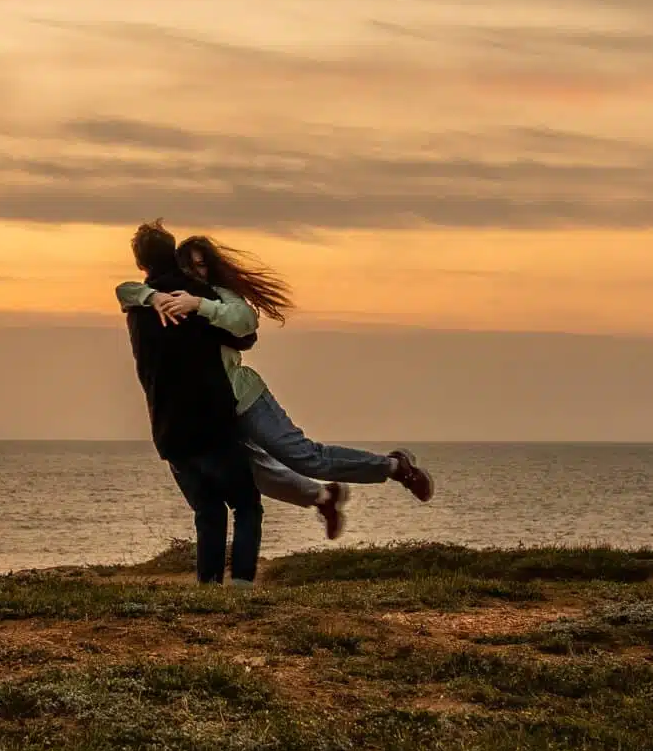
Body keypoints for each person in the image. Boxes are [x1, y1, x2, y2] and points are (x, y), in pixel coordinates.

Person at [118, 230, 435, 540]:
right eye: (188, 267)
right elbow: (125, 290)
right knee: (258, 474)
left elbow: (245, 322)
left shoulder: (217, 296)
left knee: (304, 457)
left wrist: (199, 305)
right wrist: (153, 295)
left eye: (202, 266)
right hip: (208, 414)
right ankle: (325, 499)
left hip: (243, 397)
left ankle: (395, 467)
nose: (195, 273)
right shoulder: (167, 299)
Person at [122, 221, 263, 585]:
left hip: (168, 429)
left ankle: (208, 586)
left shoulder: (138, 307)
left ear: (141, 263)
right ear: (174, 254)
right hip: (211, 421)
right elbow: (246, 334)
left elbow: (125, 292)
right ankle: (242, 586)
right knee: (246, 505)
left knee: (207, 510)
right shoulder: (193, 296)